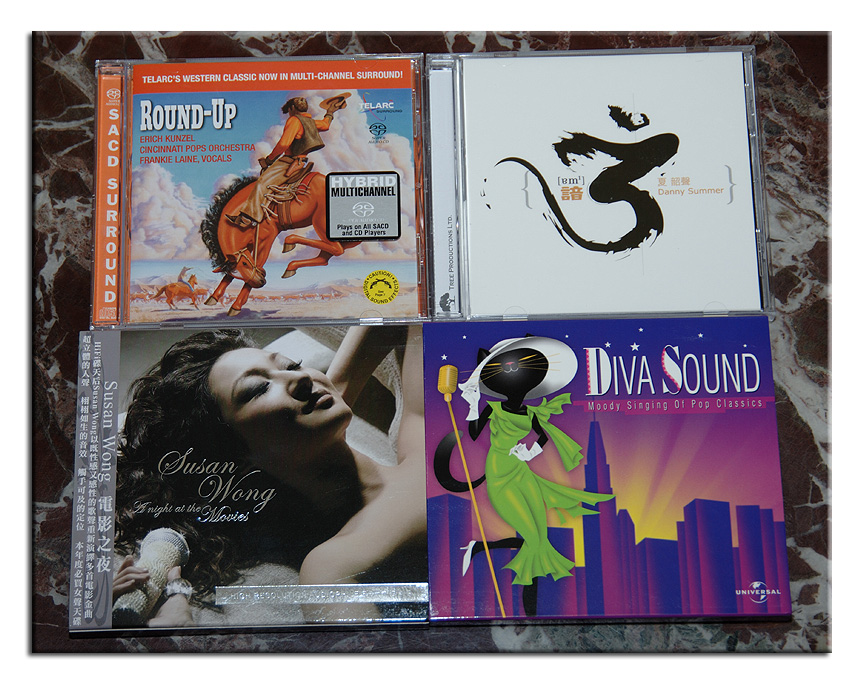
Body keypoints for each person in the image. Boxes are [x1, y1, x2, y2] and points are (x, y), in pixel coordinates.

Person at [112, 325, 426, 626]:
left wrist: (331, 389)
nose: (301, 376)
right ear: (235, 460)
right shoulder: (332, 565)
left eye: (292, 365)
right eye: (258, 389)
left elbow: (403, 305)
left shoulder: (420, 434)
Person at [227, 94, 348, 229]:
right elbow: (325, 125)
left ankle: (247, 218)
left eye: (289, 110)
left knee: (262, 183)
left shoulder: (294, 120)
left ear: (292, 109)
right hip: (301, 161)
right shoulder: (310, 122)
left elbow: (284, 144)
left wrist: (269, 160)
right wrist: (330, 112)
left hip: (288, 162)